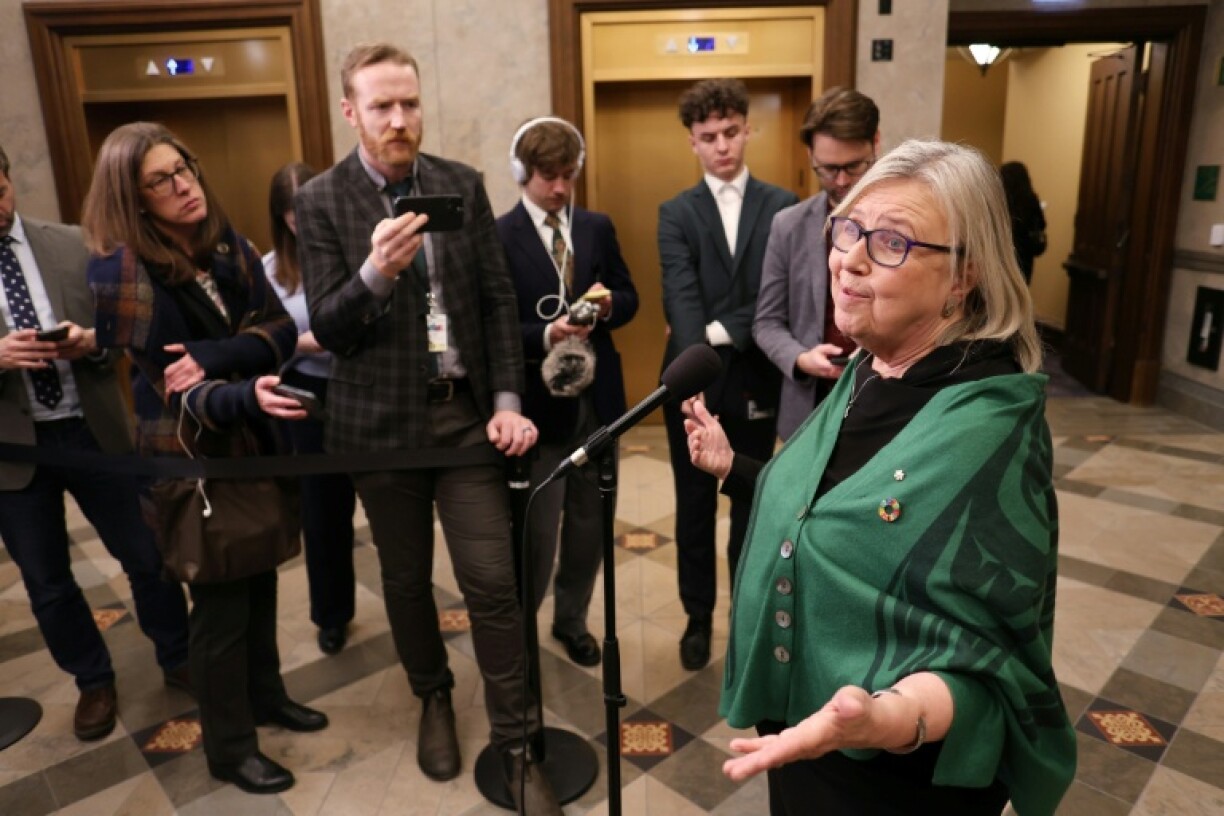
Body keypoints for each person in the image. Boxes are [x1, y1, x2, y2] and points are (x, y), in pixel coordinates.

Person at [683, 139, 1075, 815]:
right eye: (848, 230)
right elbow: (835, 508)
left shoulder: (985, 428)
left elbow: (996, 667)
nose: (849, 261)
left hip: (889, 774)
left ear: (963, 276)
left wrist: (883, 718)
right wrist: (736, 470)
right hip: (806, 724)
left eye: (890, 242)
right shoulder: (871, 365)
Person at [293, 43, 560, 813]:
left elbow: (494, 303)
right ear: (352, 112)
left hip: (463, 419)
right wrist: (376, 272)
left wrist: (508, 399)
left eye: (409, 103)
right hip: (377, 431)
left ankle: (516, 744)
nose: (400, 119)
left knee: (492, 585)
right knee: (406, 581)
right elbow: (332, 330)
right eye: (382, 106)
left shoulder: (458, 185)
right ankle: (433, 696)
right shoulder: (322, 201)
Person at [83, 122, 328, 795]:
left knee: (261, 577)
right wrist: (243, 378)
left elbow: (279, 330)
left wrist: (224, 362)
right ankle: (230, 747)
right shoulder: (118, 271)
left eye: (183, 168)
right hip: (190, 457)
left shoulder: (225, 243)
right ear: (131, 199)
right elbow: (170, 385)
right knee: (219, 608)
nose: (183, 185)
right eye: (159, 181)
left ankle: (268, 696)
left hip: (251, 440)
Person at [0, 142, 190, 742]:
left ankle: (179, 657)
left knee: (146, 555)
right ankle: (93, 681)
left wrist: (92, 343)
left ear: (10, 178)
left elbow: (120, 335)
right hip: (14, 450)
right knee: (47, 580)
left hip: (95, 429)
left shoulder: (72, 244)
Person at [658, 77, 799, 671]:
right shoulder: (675, 213)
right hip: (690, 383)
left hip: (759, 378)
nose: (722, 146)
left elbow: (781, 295)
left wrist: (723, 329)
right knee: (692, 506)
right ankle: (696, 618)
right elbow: (680, 298)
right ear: (692, 142)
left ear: (748, 129)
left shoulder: (784, 206)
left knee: (752, 499)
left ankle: (745, 613)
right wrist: (701, 357)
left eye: (731, 132)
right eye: (708, 136)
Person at [497, 117, 639, 667]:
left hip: (599, 403)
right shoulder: (500, 234)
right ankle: (521, 629)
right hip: (538, 410)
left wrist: (608, 307)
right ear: (522, 174)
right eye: (548, 177)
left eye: (568, 176)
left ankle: (571, 619)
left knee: (590, 525)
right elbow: (496, 327)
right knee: (537, 530)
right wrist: (547, 333)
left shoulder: (596, 227)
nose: (559, 188)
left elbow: (631, 297)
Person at [264, 162, 358, 657]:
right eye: (298, 214)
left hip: (361, 388)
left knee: (390, 510)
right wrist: (306, 342)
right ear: (283, 219)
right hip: (306, 394)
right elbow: (260, 341)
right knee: (324, 515)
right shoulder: (268, 270)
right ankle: (332, 614)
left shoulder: (352, 253)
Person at [753, 87, 880, 440]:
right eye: (827, 169)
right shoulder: (788, 225)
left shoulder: (902, 223)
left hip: (884, 395)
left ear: (876, 143)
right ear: (810, 155)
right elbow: (766, 322)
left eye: (853, 166)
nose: (841, 181)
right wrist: (801, 358)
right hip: (809, 405)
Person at [999, 161, 1046, 285]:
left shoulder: (1000, 202)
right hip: (1025, 259)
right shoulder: (1031, 200)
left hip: (1003, 257)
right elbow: (1042, 224)